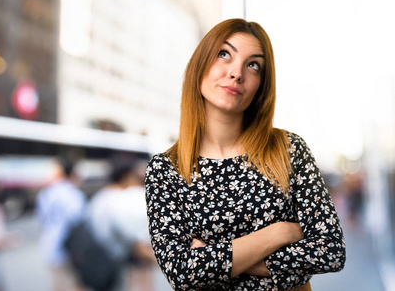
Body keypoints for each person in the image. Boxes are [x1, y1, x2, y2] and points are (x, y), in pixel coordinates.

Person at [144, 18, 346, 291]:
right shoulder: (165, 169)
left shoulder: (288, 149)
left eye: (253, 65)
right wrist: (279, 233)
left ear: (261, 85)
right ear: (200, 64)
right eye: (224, 54)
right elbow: (181, 271)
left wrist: (212, 257)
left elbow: (331, 250)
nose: (236, 73)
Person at [87, 158, 156, 291]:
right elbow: (136, 241)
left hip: (97, 256)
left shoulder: (100, 197)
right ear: (126, 176)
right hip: (113, 258)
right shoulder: (120, 199)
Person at [36, 158, 86, 291]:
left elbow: (42, 219)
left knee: (59, 284)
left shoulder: (45, 193)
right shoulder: (73, 194)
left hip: (50, 246)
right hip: (69, 250)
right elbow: (78, 223)